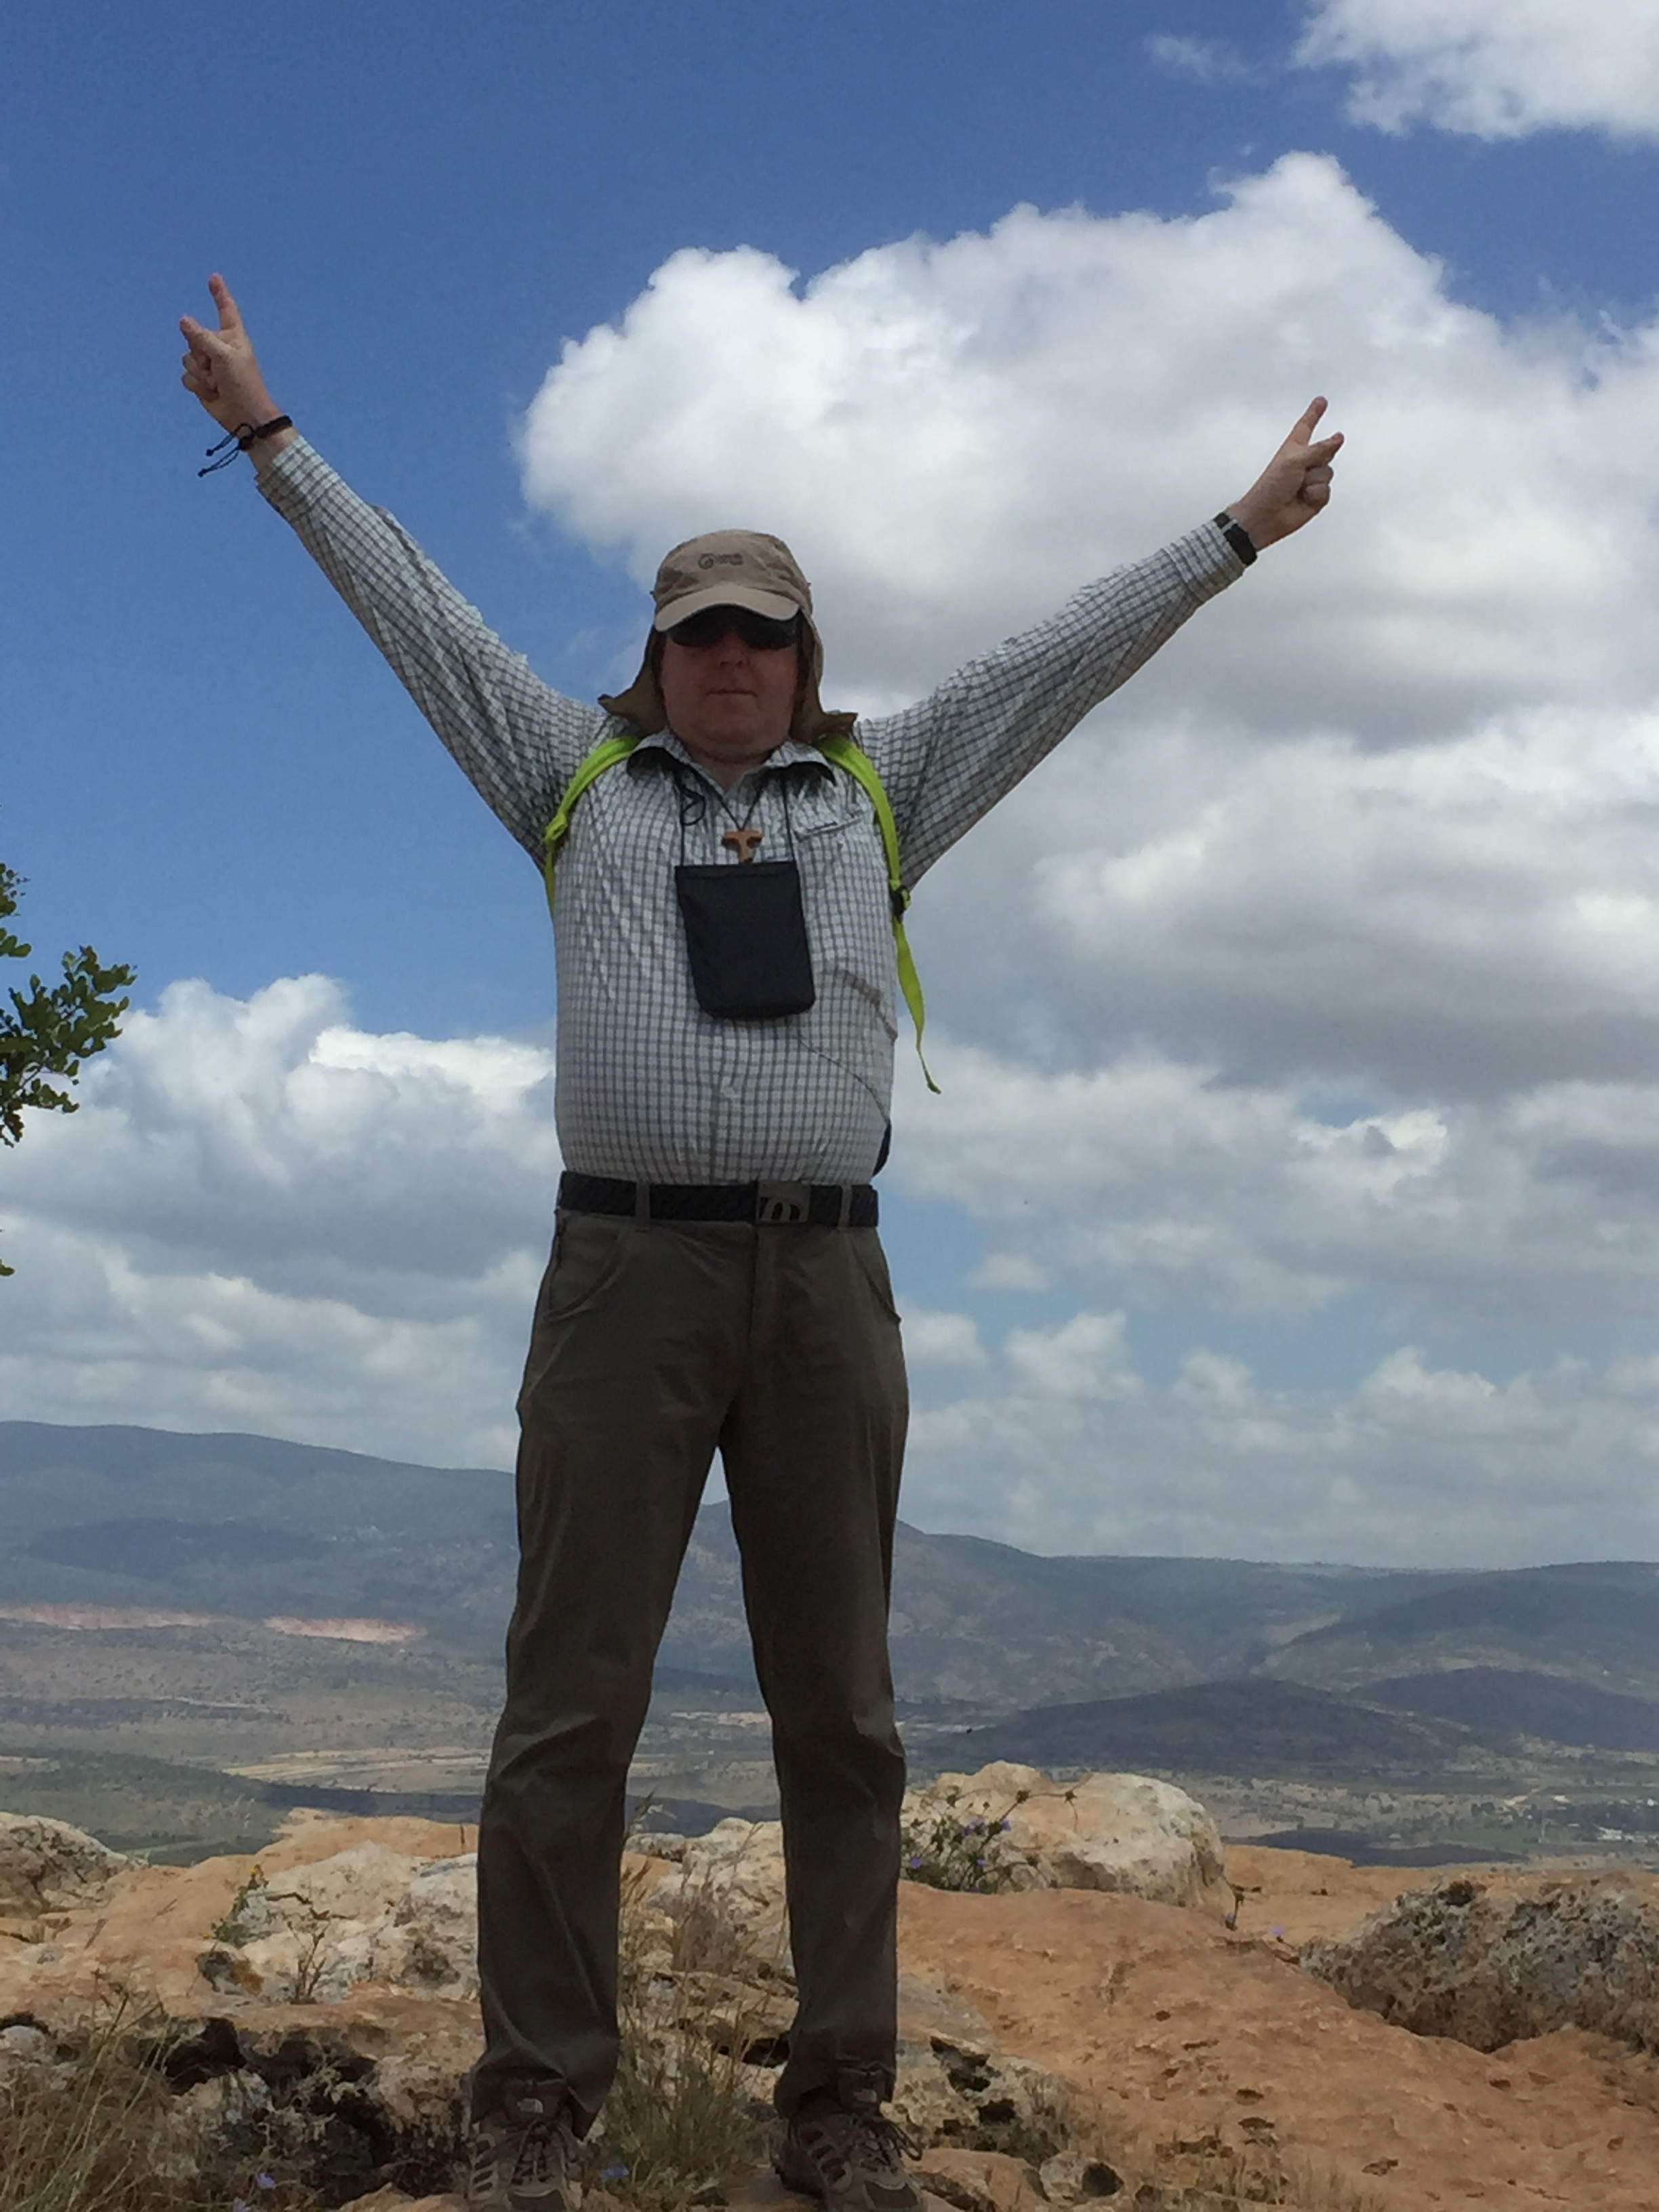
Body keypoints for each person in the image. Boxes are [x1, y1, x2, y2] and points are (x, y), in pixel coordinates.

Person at [180, 273, 1340, 2212]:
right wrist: (271, 437)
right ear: (656, 659)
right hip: (623, 1277)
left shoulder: (885, 791)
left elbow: (1058, 659)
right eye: (701, 632)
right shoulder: (572, 781)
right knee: (570, 1705)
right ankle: (536, 2101)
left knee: (846, 1721)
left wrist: (1232, 535)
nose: (732, 658)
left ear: (806, 662)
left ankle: (840, 2106)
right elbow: (419, 614)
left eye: (764, 634)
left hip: (824, 1283)